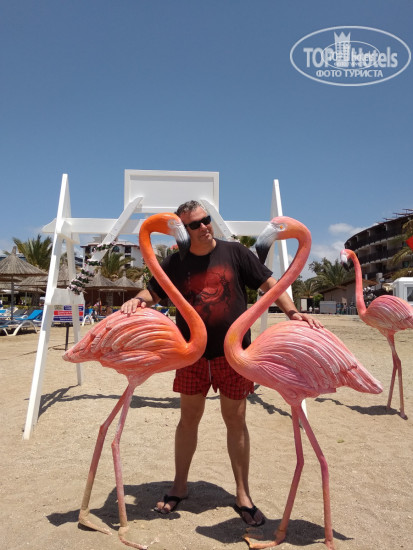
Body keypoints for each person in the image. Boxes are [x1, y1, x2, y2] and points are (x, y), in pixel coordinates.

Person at [121, 201, 322, 527]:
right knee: (188, 420)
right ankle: (179, 485)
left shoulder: (235, 253)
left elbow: (270, 285)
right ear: (183, 231)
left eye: (206, 220)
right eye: (194, 224)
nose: (203, 227)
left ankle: (243, 493)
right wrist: (136, 300)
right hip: (192, 355)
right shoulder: (175, 262)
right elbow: (154, 293)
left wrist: (293, 313)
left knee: (236, 420)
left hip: (234, 355)